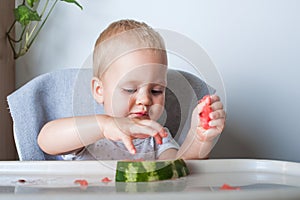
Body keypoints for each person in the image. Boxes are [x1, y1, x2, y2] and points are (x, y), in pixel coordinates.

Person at [37, 19, 225, 160]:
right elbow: (46, 140)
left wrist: (198, 139)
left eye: (157, 91)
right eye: (130, 89)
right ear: (99, 90)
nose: (145, 100)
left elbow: (178, 169)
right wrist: (104, 126)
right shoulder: (90, 135)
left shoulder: (157, 138)